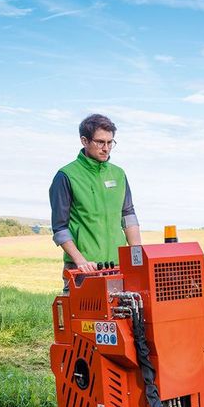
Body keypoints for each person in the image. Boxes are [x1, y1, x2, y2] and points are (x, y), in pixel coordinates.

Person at [50, 114, 141, 285]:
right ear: (84, 141)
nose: (106, 148)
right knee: (81, 312)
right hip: (83, 268)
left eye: (110, 142)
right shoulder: (66, 176)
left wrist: (136, 258)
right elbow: (60, 228)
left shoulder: (118, 174)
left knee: (126, 311)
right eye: (100, 142)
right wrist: (80, 261)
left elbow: (128, 215)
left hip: (117, 266)